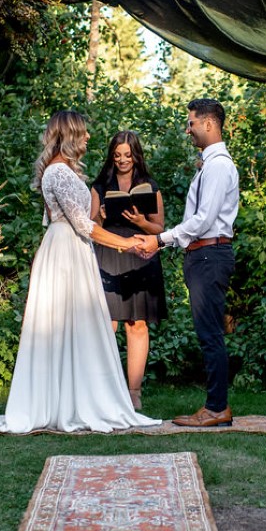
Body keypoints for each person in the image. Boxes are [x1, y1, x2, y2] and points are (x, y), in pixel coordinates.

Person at [0, 111, 161, 433]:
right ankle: (67, 404)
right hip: (65, 252)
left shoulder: (64, 170)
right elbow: (83, 225)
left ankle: (73, 398)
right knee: (64, 324)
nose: (87, 137)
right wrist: (127, 244)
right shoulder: (58, 172)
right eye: (83, 132)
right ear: (69, 135)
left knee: (78, 326)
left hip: (72, 247)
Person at [135, 98, 239, 428]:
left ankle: (217, 408)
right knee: (208, 332)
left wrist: (160, 239)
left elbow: (204, 219)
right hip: (203, 254)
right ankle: (216, 405)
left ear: (208, 124)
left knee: (210, 334)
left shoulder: (218, 166)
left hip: (210, 255)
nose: (187, 129)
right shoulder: (210, 165)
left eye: (191, 123)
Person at [90, 131, 169, 411]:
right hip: (109, 254)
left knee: (137, 324)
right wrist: (100, 216)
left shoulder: (149, 185)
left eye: (127, 155)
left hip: (140, 254)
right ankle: (104, 389)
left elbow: (159, 228)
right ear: (111, 157)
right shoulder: (100, 185)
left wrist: (140, 221)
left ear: (136, 155)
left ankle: (134, 392)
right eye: (117, 155)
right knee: (107, 324)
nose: (123, 160)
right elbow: (89, 226)